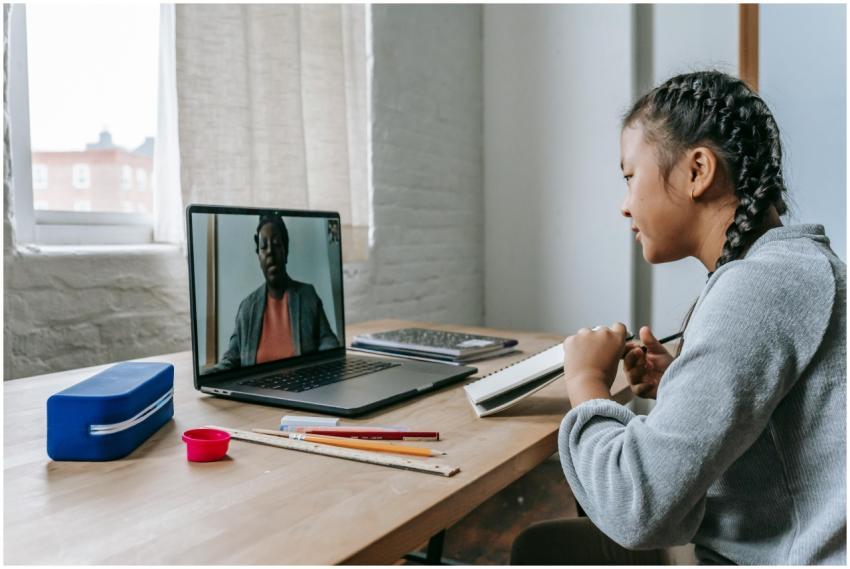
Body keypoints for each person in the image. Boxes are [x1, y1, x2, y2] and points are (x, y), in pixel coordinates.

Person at [511, 71, 846, 564]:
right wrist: (684, 383)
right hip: (783, 541)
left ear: (697, 171)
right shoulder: (791, 269)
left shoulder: (756, 289)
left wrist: (586, 383)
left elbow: (636, 509)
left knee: (542, 551)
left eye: (629, 177)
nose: (625, 207)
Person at [214, 214, 340, 371]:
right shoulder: (247, 308)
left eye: (276, 244)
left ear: (286, 251)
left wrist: (318, 371)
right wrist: (208, 375)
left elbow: (329, 342)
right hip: (254, 393)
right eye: (263, 246)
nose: (270, 252)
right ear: (259, 257)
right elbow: (231, 359)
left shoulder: (308, 296)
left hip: (301, 390)